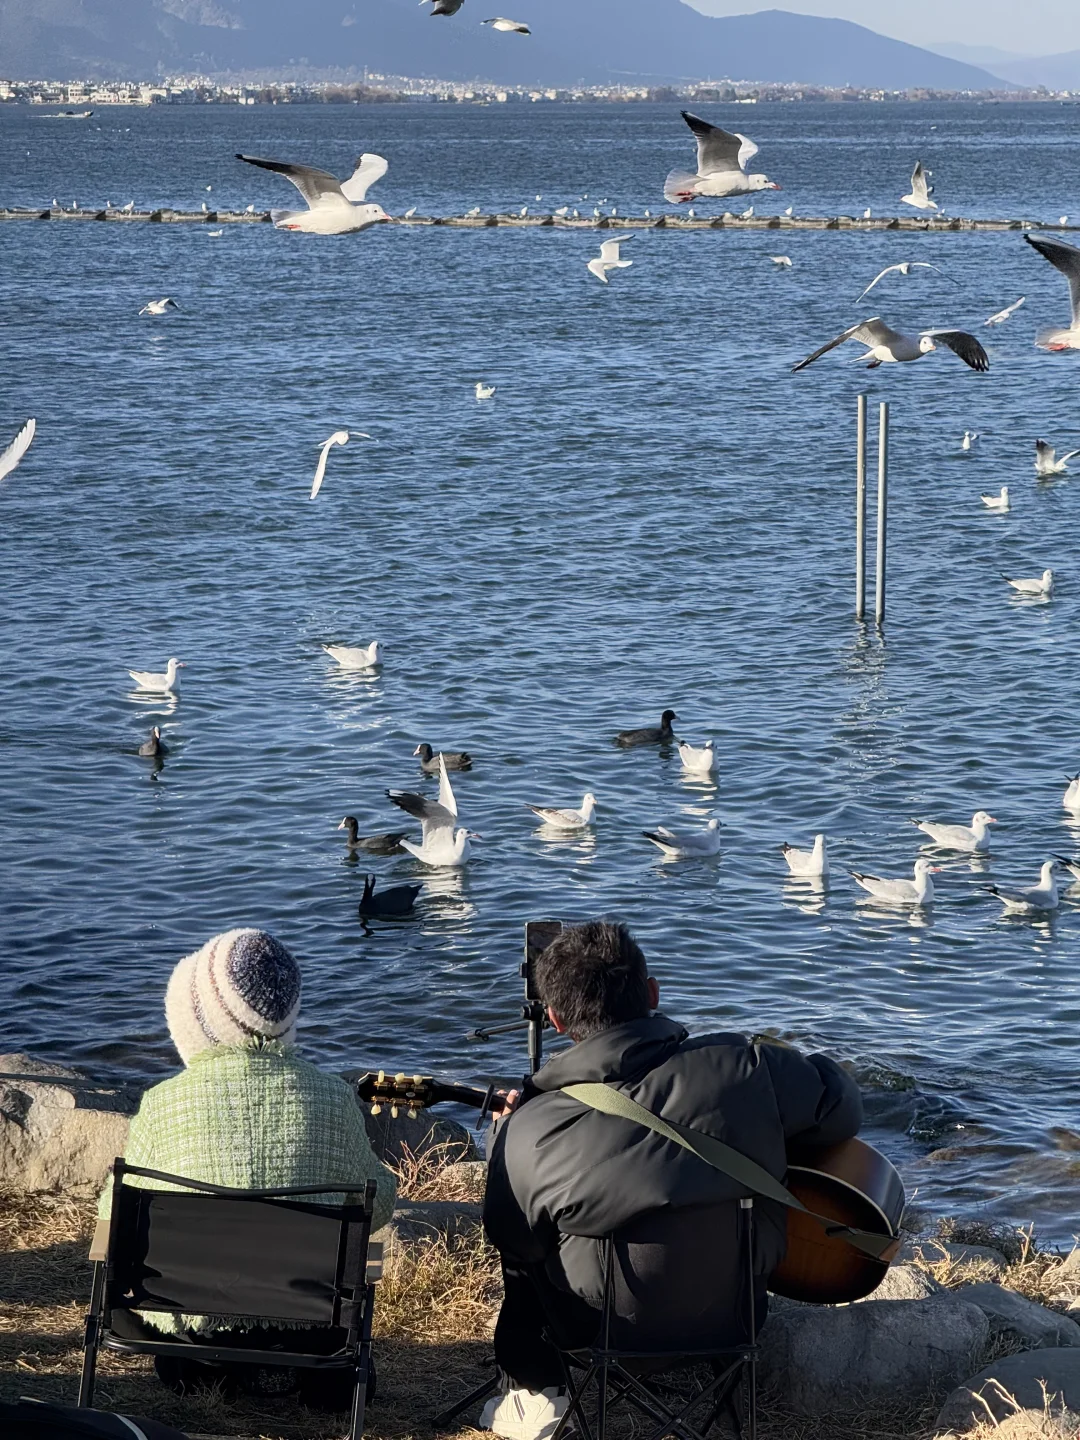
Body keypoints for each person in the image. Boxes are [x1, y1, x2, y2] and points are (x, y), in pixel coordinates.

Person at [481, 920, 863, 1440]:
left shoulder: (533, 1127)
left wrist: (502, 1142)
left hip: (599, 1332)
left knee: (522, 1251)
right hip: (735, 1318)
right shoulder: (748, 1065)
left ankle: (535, 1392)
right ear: (653, 993)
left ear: (554, 1019)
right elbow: (843, 1107)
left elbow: (512, 1238)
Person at [94, 927, 397, 1402]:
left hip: (191, 1327)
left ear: (198, 1017)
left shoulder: (164, 1103)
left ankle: (215, 1371)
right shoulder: (333, 1099)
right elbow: (377, 1204)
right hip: (309, 1325)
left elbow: (115, 1215)